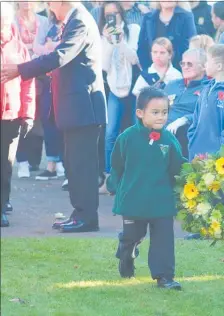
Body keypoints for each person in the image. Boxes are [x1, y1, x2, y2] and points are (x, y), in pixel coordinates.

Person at [1, 1, 107, 233]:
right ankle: (79, 213)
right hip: (75, 108)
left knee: (82, 166)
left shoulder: (79, 20)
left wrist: (20, 69)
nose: (48, 6)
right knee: (72, 163)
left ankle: (87, 218)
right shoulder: (73, 20)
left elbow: (60, 56)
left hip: (84, 108)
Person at [107, 87, 185, 289]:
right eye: (155, 112)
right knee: (133, 236)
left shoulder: (169, 139)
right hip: (134, 199)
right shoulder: (127, 137)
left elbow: (178, 166)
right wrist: (113, 184)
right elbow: (117, 164)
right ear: (140, 113)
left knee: (164, 239)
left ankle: (164, 276)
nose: (161, 117)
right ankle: (126, 252)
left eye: (165, 112)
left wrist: (196, 170)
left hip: (161, 200)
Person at [99, 1, 141, 194]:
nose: (112, 17)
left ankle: (134, 176)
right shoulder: (103, 34)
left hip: (134, 88)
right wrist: (109, 41)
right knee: (110, 133)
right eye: (108, 14)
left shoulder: (133, 29)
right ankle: (110, 178)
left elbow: (134, 59)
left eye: (115, 13)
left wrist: (121, 41)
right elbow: (104, 66)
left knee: (135, 131)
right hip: (114, 88)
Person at [0, 2, 36, 227]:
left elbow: (28, 82)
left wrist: (28, 114)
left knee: (5, 165)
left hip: (11, 115)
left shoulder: (19, 47)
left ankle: (2, 206)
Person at [187, 44, 224, 161]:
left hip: (217, 159)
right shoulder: (206, 87)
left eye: (207, 61)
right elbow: (196, 118)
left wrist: (219, 153)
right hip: (196, 153)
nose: (205, 64)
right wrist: (193, 139)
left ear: (219, 66)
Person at [14, 1, 49, 179]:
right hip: (19, 74)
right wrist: (35, 51)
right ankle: (22, 161)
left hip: (43, 74)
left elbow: (48, 45)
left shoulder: (43, 20)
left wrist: (35, 51)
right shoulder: (11, 21)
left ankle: (35, 160)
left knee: (42, 117)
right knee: (22, 116)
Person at [32, 12, 66, 181]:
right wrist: (49, 47)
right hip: (47, 79)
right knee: (48, 119)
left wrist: (51, 47)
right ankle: (51, 164)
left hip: (64, 80)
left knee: (64, 121)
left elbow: (64, 50)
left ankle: (64, 163)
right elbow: (36, 47)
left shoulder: (75, 24)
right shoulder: (48, 25)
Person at [165, 48, 208, 157]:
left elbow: (206, 115)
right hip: (161, 130)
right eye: (183, 64)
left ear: (203, 66)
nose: (185, 67)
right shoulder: (172, 85)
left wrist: (183, 119)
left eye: (190, 64)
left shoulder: (208, 88)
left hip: (185, 134)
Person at [137, 1, 196, 72]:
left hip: (179, 72)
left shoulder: (186, 17)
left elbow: (190, 47)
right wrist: (148, 71)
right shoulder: (148, 18)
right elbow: (142, 47)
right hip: (152, 72)